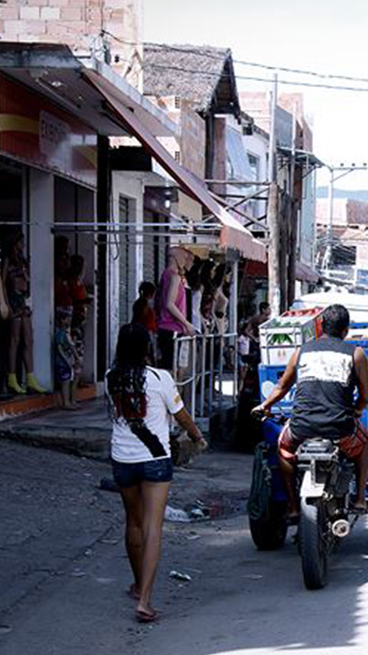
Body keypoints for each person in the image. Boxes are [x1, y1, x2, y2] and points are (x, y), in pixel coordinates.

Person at [106, 322, 206, 624]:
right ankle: (146, 601)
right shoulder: (160, 378)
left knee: (133, 523)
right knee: (153, 527)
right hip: (155, 459)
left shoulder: (111, 378)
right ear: (147, 347)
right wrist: (197, 437)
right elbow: (181, 415)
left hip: (122, 458)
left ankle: (137, 585)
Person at [252, 304, 368, 521]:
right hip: (340, 428)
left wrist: (264, 406)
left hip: (301, 428)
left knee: (283, 448)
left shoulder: (301, 352)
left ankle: (292, 506)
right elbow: (366, 397)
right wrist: (357, 410)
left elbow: (281, 387)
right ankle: (361, 499)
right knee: (365, 445)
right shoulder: (356, 354)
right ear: (346, 330)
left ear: (320, 326)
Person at [2, 231, 48, 395]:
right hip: (13, 301)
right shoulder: (8, 261)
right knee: (14, 340)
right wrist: (6, 304)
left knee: (28, 339)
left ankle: (30, 377)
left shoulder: (22, 261)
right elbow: (3, 282)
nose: (23, 245)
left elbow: (29, 281)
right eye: (21, 242)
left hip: (23, 300)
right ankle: (12, 377)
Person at [156, 247, 195, 373]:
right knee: (171, 367)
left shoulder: (166, 275)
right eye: (184, 257)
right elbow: (169, 304)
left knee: (169, 366)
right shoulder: (173, 276)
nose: (185, 260)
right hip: (172, 327)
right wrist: (186, 323)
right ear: (175, 257)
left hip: (167, 327)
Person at [53, 307, 78, 409]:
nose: (69, 320)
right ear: (62, 320)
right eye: (67, 318)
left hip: (66, 361)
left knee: (67, 381)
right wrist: (66, 360)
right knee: (65, 382)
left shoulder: (65, 333)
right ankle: (66, 402)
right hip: (62, 362)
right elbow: (59, 348)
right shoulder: (60, 334)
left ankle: (68, 401)